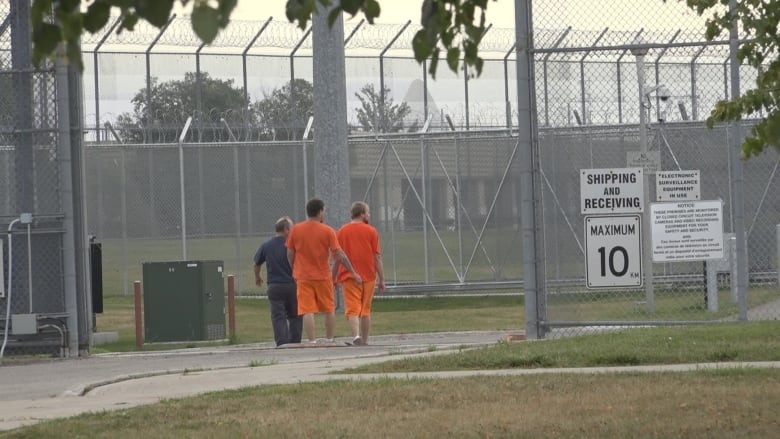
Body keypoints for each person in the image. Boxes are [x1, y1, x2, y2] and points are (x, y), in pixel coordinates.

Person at [286, 198, 362, 344]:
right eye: (324, 210)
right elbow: (339, 254)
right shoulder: (327, 230)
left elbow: (289, 253)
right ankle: (329, 339)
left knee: (307, 310)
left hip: (303, 275)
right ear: (320, 211)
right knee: (329, 308)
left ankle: (312, 340)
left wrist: (293, 268)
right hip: (323, 275)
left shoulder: (296, 229)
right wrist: (352, 271)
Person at [333, 201, 385, 346]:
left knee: (352, 308)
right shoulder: (371, 231)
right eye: (367, 212)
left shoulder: (342, 231)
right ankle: (365, 340)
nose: (369, 214)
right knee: (365, 310)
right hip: (368, 275)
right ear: (362, 214)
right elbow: (377, 256)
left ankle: (356, 335)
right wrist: (382, 278)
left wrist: (334, 277)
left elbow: (338, 257)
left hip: (349, 275)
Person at [254, 216, 302, 346]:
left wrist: (257, 276)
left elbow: (257, 263)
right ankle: (295, 342)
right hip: (293, 284)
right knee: (296, 316)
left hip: (275, 286)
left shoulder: (266, 245)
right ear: (287, 230)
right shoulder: (294, 245)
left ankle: (282, 343)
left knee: (278, 317)